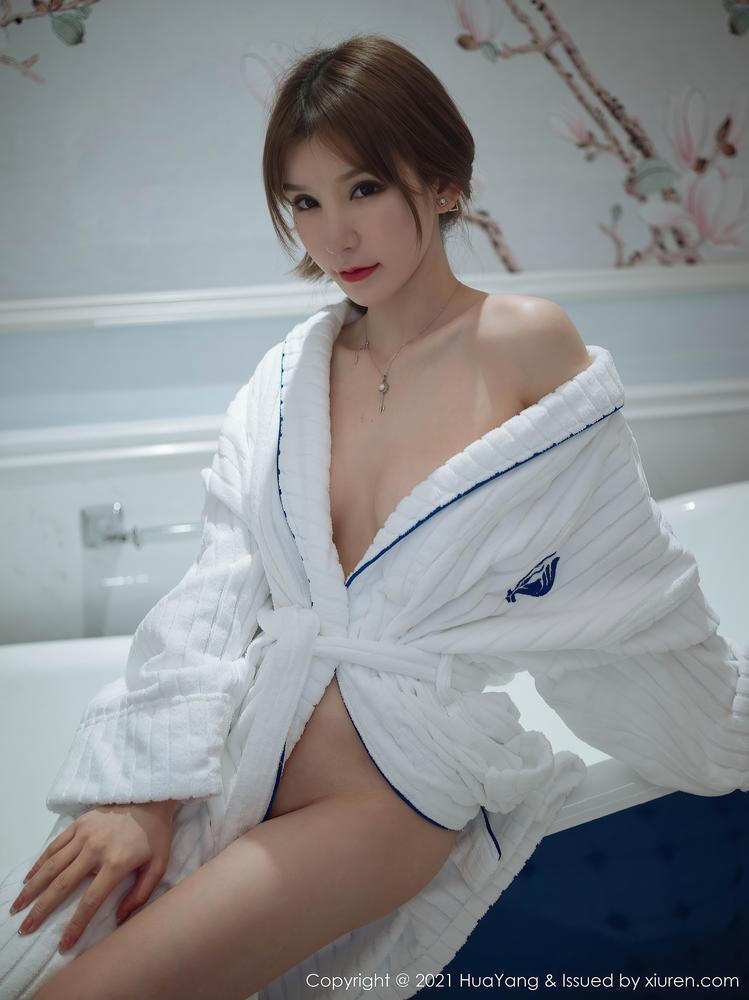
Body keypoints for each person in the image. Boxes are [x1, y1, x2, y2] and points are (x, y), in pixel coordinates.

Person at [2, 33, 747, 1000]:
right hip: (240, 753)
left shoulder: (522, 342)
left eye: (362, 189)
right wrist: (139, 791)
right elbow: (215, 592)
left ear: (440, 183)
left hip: (385, 787)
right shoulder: (287, 377)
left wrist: (721, 732)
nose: (334, 237)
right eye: (304, 203)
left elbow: (626, 583)